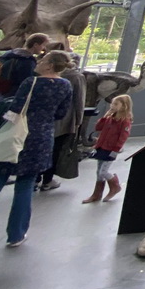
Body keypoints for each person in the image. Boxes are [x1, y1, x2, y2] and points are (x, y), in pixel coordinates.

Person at [0, 50, 72, 247]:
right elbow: (61, 112)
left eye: (43, 59)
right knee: (25, 186)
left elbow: (15, 109)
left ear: (50, 65)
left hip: (17, 135)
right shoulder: (65, 86)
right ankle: (16, 234)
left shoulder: (31, 82)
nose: (39, 61)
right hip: (42, 138)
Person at [38, 52, 86, 191]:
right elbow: (79, 100)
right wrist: (79, 121)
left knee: (43, 149)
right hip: (65, 120)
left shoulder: (42, 76)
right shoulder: (76, 77)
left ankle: (35, 178)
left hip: (42, 119)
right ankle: (47, 180)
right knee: (56, 150)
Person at [83, 94, 133, 203]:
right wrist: (105, 117)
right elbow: (98, 128)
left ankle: (115, 186)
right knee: (98, 172)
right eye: (112, 103)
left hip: (111, 149)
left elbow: (123, 136)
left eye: (116, 104)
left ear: (124, 106)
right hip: (101, 146)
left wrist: (115, 149)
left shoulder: (125, 121)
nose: (112, 106)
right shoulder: (110, 117)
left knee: (103, 172)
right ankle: (96, 195)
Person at [0, 33, 51, 102]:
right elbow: (26, 82)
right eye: (43, 45)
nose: (44, 48)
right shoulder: (27, 61)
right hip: (12, 96)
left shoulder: (10, 55)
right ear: (35, 45)